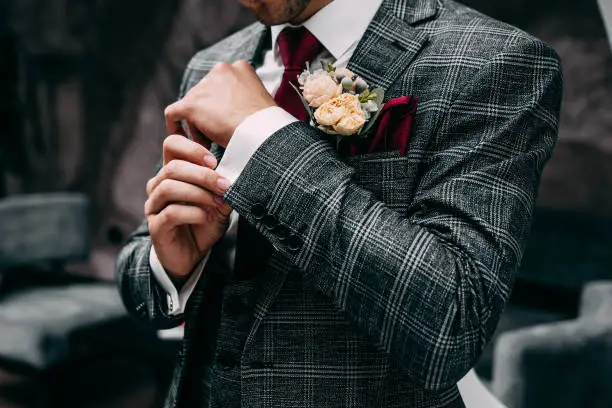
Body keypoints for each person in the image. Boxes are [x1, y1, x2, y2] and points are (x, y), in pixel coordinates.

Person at [116, 0, 562, 406]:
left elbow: (452, 324)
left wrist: (265, 138)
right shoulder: (211, 66)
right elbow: (140, 273)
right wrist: (170, 266)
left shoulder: (493, 59)